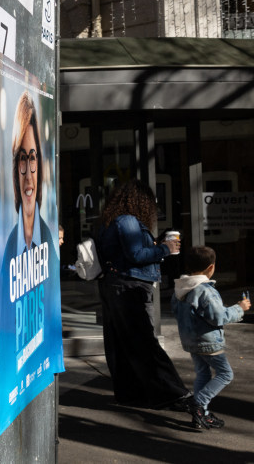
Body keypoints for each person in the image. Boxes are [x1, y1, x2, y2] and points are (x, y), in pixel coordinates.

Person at [97, 179, 188, 409]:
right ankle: (173, 394)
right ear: (140, 201)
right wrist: (166, 249)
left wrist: (158, 244)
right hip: (128, 287)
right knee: (144, 342)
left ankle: (132, 394)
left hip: (120, 285)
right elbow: (136, 255)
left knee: (125, 343)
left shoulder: (118, 220)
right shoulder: (127, 221)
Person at [172, 246, 250, 429]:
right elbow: (218, 317)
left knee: (203, 373)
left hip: (190, 341)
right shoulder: (205, 290)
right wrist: (240, 308)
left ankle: (202, 415)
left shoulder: (180, 289)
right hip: (208, 342)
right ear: (211, 267)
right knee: (225, 374)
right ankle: (198, 403)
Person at [1, 91, 57, 271]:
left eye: (32, 158)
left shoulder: (47, 240)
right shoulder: (10, 247)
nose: (28, 175)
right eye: (22, 159)